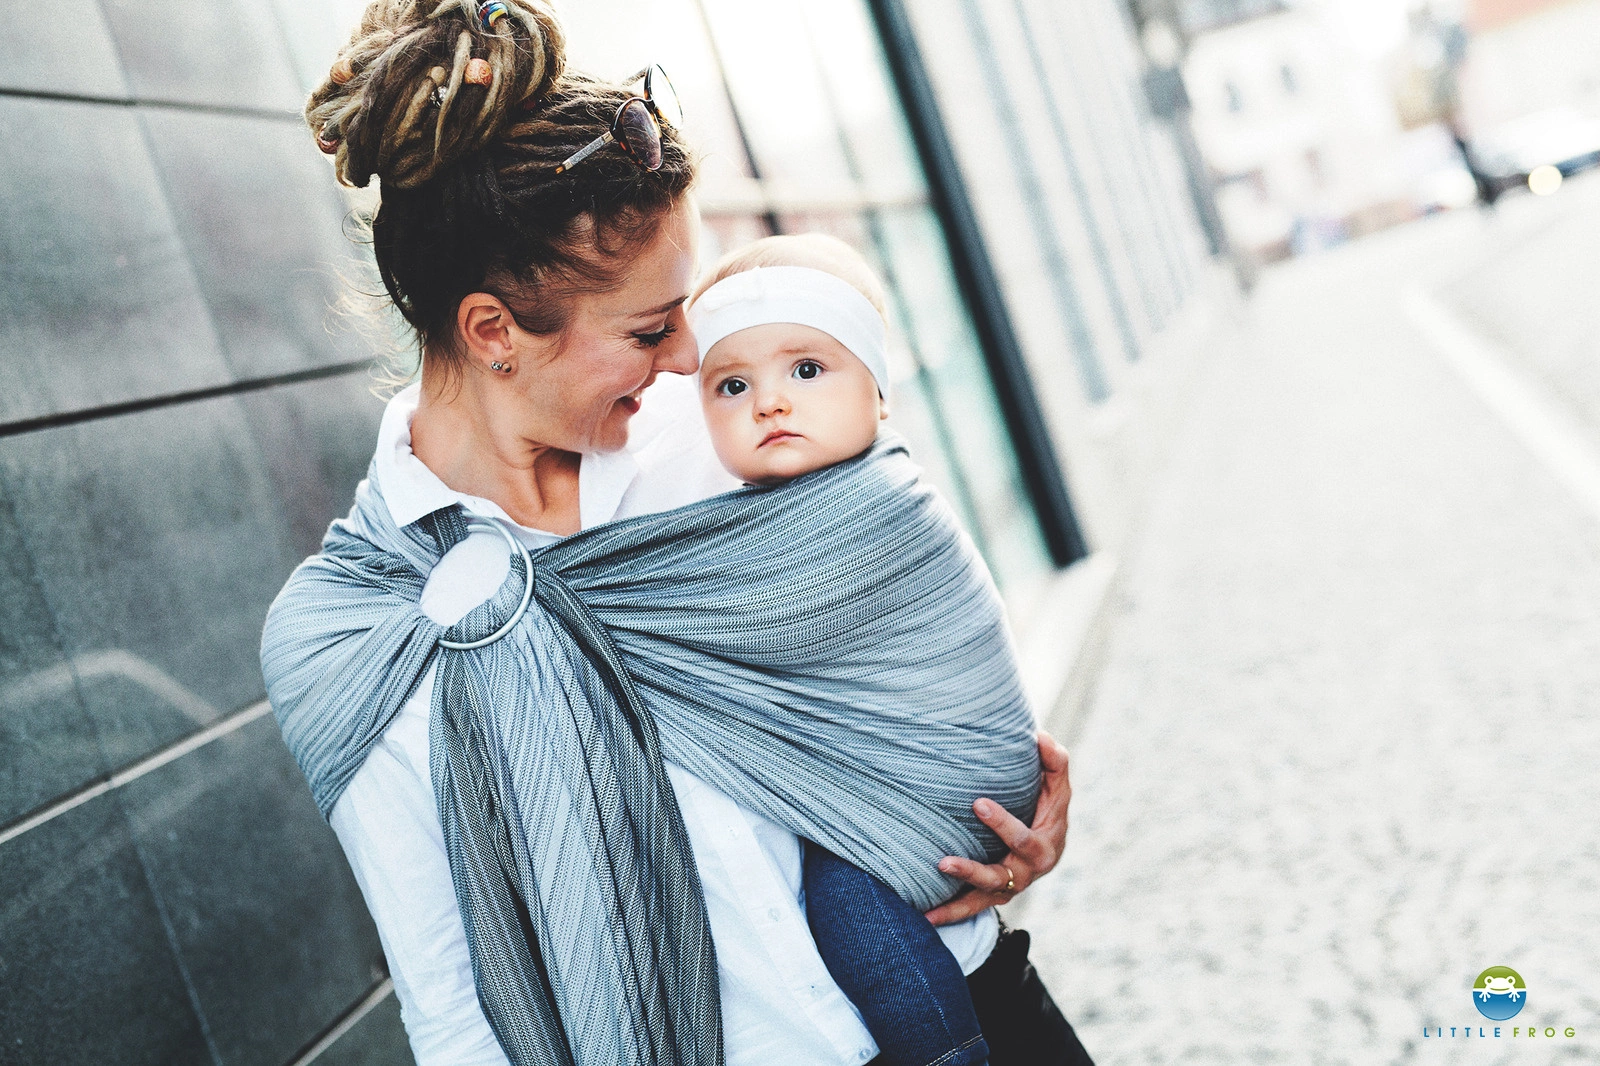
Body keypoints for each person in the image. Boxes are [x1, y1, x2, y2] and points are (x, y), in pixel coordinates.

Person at [265, 2, 1078, 1063]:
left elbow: (918, 623)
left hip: (969, 1012)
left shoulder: (730, 446)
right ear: (493, 332)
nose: (694, 357)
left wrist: (992, 813)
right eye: (649, 328)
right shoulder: (365, 636)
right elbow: (451, 1001)